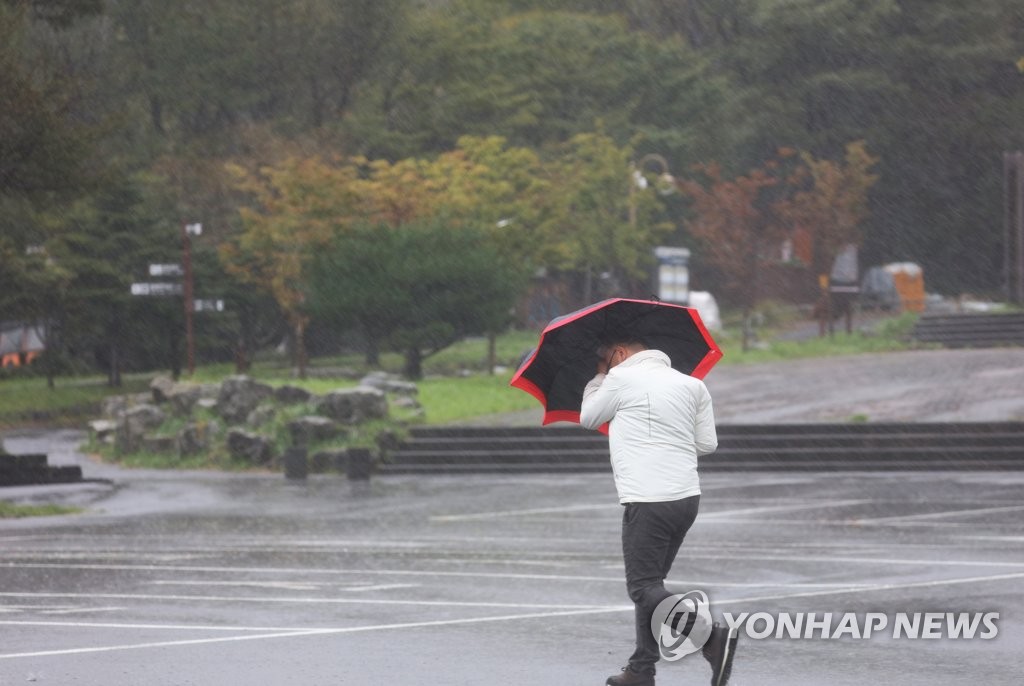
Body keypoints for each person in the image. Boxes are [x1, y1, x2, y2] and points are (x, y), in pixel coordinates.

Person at [579, 334, 737, 686]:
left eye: (605, 360)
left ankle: (709, 638)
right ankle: (640, 670)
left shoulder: (619, 378)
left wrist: (598, 378)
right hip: (685, 498)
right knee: (652, 586)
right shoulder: (691, 384)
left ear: (619, 354)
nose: (605, 368)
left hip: (648, 498)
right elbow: (707, 444)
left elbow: (589, 418)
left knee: (642, 588)